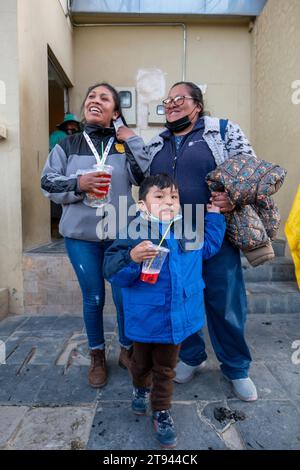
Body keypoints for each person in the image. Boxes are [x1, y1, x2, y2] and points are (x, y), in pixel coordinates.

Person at [147, 81, 258, 402]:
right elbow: (144, 179)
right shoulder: (158, 142)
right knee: (180, 297)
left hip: (214, 229)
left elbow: (250, 170)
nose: (171, 104)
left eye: (179, 98)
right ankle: (192, 356)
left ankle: (236, 367)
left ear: (197, 104)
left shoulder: (223, 131)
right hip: (173, 234)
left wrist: (231, 199)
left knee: (225, 302)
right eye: (167, 100)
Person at [103, 174, 226, 448]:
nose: (168, 201)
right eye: (159, 196)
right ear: (143, 205)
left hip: (177, 319)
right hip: (146, 318)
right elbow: (112, 271)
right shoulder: (132, 232)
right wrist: (131, 258)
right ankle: (138, 388)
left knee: (166, 369)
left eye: (173, 196)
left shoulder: (187, 229)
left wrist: (216, 216)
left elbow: (208, 249)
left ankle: (161, 410)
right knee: (140, 364)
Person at [41, 82, 149, 388]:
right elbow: (47, 183)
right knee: (94, 297)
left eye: (105, 98)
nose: (95, 101)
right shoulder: (67, 144)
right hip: (81, 237)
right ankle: (98, 355)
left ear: (115, 111)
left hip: (120, 233)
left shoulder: (122, 143)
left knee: (123, 295)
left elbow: (144, 177)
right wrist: (79, 184)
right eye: (91, 96)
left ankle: (127, 351)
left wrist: (133, 138)